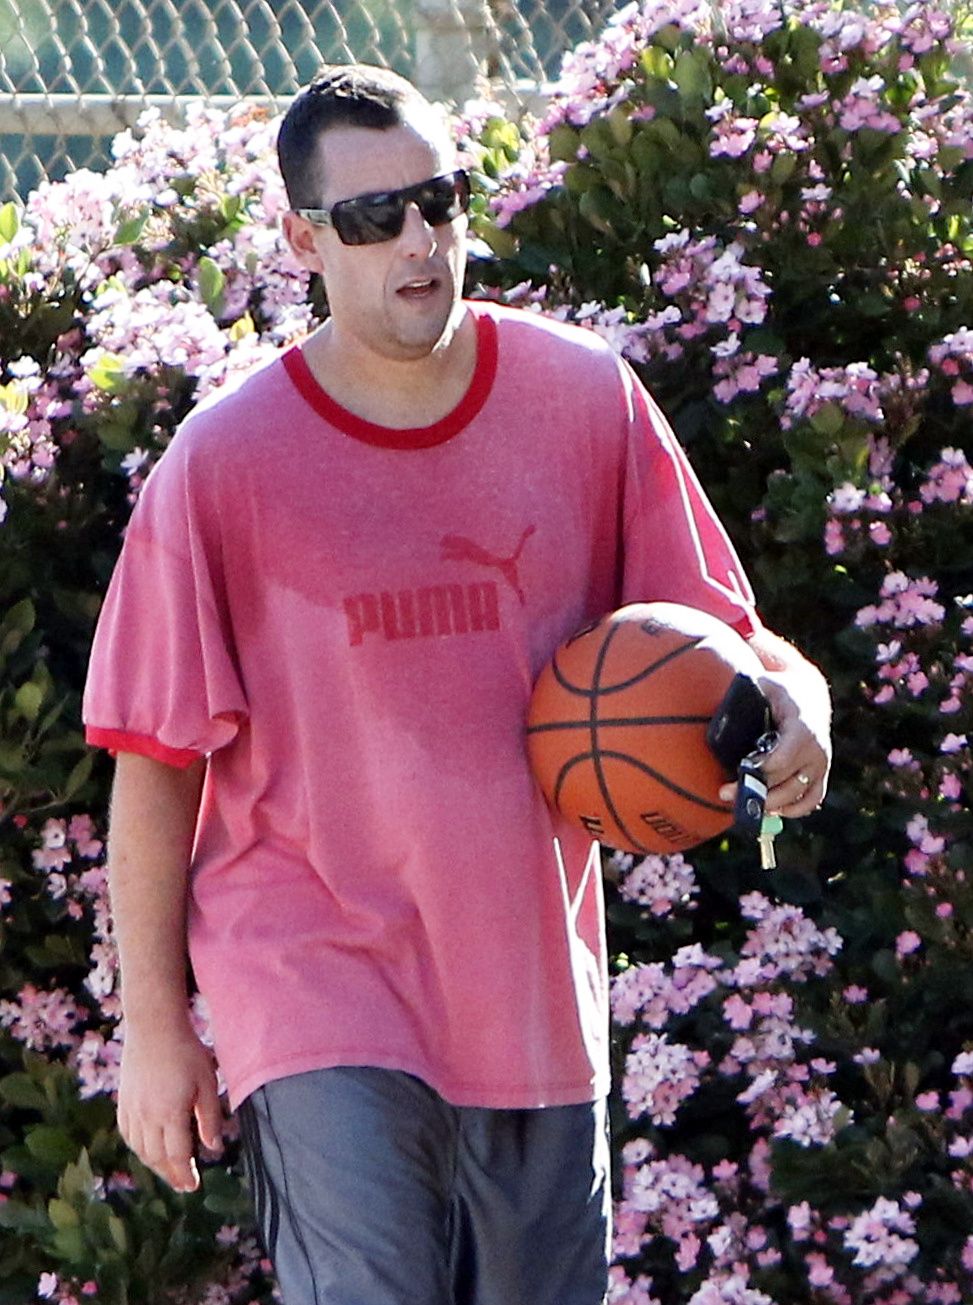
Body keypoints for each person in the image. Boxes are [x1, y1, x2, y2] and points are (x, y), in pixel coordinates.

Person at [83, 64, 832, 1305]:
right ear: (303, 238)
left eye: (440, 201)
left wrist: (794, 706)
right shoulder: (221, 466)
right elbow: (158, 762)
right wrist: (157, 1034)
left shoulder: (584, 399)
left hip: (528, 987)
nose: (419, 242)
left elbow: (724, 635)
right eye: (375, 219)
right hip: (313, 980)